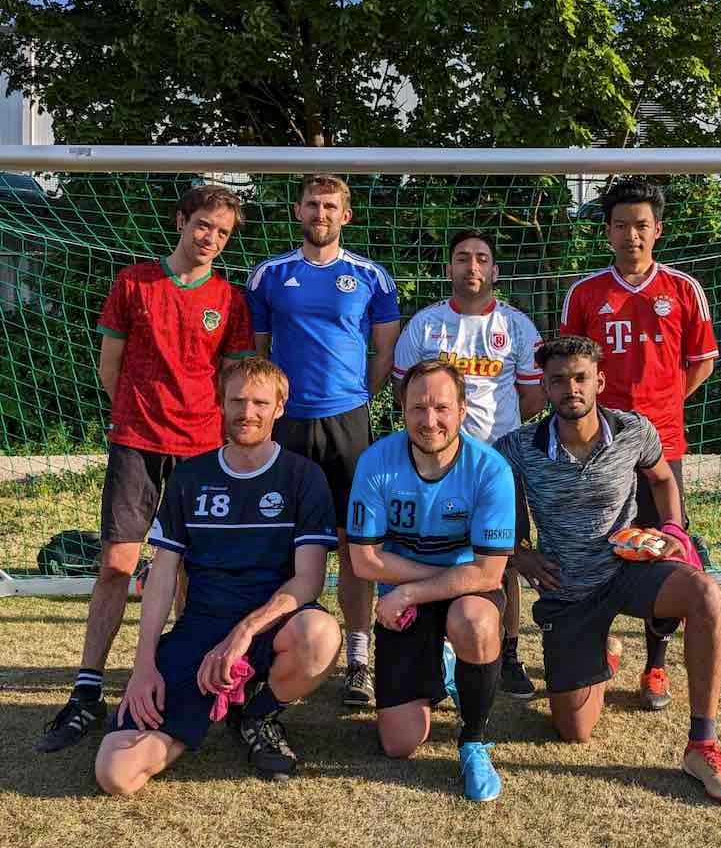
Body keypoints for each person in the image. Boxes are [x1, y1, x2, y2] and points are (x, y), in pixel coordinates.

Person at [37, 185, 255, 753]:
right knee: (117, 564)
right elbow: (111, 367)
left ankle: (176, 684)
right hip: (137, 440)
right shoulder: (134, 282)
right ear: (182, 222)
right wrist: (140, 415)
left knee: (187, 571)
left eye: (222, 233)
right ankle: (87, 692)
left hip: (201, 449)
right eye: (203, 225)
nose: (210, 238)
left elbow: (233, 380)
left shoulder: (229, 298)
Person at [494, 337, 721, 804]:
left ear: (599, 381)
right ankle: (603, 654)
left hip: (626, 570)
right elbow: (487, 505)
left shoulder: (634, 431)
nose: (570, 387)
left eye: (579, 377)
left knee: (705, 594)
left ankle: (702, 744)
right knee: (574, 732)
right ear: (544, 389)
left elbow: (663, 477)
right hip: (567, 589)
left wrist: (672, 526)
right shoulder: (517, 446)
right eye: (558, 380)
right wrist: (518, 553)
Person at [94, 358, 342, 794]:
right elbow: (164, 575)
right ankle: (203, 709)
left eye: (261, 402)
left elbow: (307, 582)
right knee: (116, 773)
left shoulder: (305, 477)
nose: (248, 412)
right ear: (221, 404)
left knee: (320, 633)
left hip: (270, 625)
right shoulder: (191, 476)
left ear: (280, 407)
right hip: (200, 629)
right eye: (238, 401)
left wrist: (243, 634)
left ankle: (256, 714)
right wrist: (144, 666)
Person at [560, 179, 718, 711]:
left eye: (642, 225)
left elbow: (702, 361)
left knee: (662, 550)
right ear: (607, 231)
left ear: (658, 230)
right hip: (595, 446)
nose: (632, 235)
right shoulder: (585, 294)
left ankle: (656, 664)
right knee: (597, 542)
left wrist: (665, 405)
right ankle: (600, 637)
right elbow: (567, 366)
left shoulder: (682, 289)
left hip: (661, 446)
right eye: (622, 225)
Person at [246, 174, 400, 708]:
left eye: (331, 205)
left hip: (347, 426)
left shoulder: (372, 278)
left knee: (355, 543)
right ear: (297, 211)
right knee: (284, 539)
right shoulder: (269, 275)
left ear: (346, 215)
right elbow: (261, 356)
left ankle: (359, 658)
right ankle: (278, 645)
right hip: (287, 427)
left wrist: (354, 399)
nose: (321, 212)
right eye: (312, 203)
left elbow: (383, 354)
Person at [347, 361, 516, 802]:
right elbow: (364, 561)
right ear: (402, 408)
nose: (430, 420)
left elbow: (490, 573)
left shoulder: (490, 469)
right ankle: (445, 668)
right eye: (418, 407)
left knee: (476, 623)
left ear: (462, 409)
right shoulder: (375, 462)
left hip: (455, 595)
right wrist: (437, 582)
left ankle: (474, 741)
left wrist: (408, 590)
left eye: (442, 407)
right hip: (419, 595)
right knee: (399, 744)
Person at [392, 229, 544, 698]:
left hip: (498, 464)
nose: (471, 267)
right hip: (435, 464)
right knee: (431, 550)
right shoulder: (425, 324)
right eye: (462, 258)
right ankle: (433, 655)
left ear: (494, 270)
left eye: (481, 259)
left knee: (506, 559)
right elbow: (403, 389)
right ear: (449, 269)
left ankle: (510, 652)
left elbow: (534, 395)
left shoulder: (517, 326)